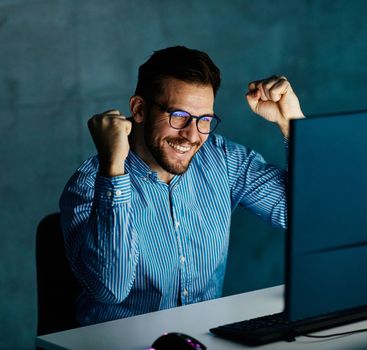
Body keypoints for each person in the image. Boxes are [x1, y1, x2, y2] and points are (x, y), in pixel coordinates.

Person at [60, 46, 305, 326]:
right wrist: (114, 170)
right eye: (178, 116)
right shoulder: (90, 183)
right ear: (139, 109)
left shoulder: (222, 158)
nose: (191, 135)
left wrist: (292, 124)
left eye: (205, 120)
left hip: (203, 341)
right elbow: (110, 289)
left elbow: (308, 215)